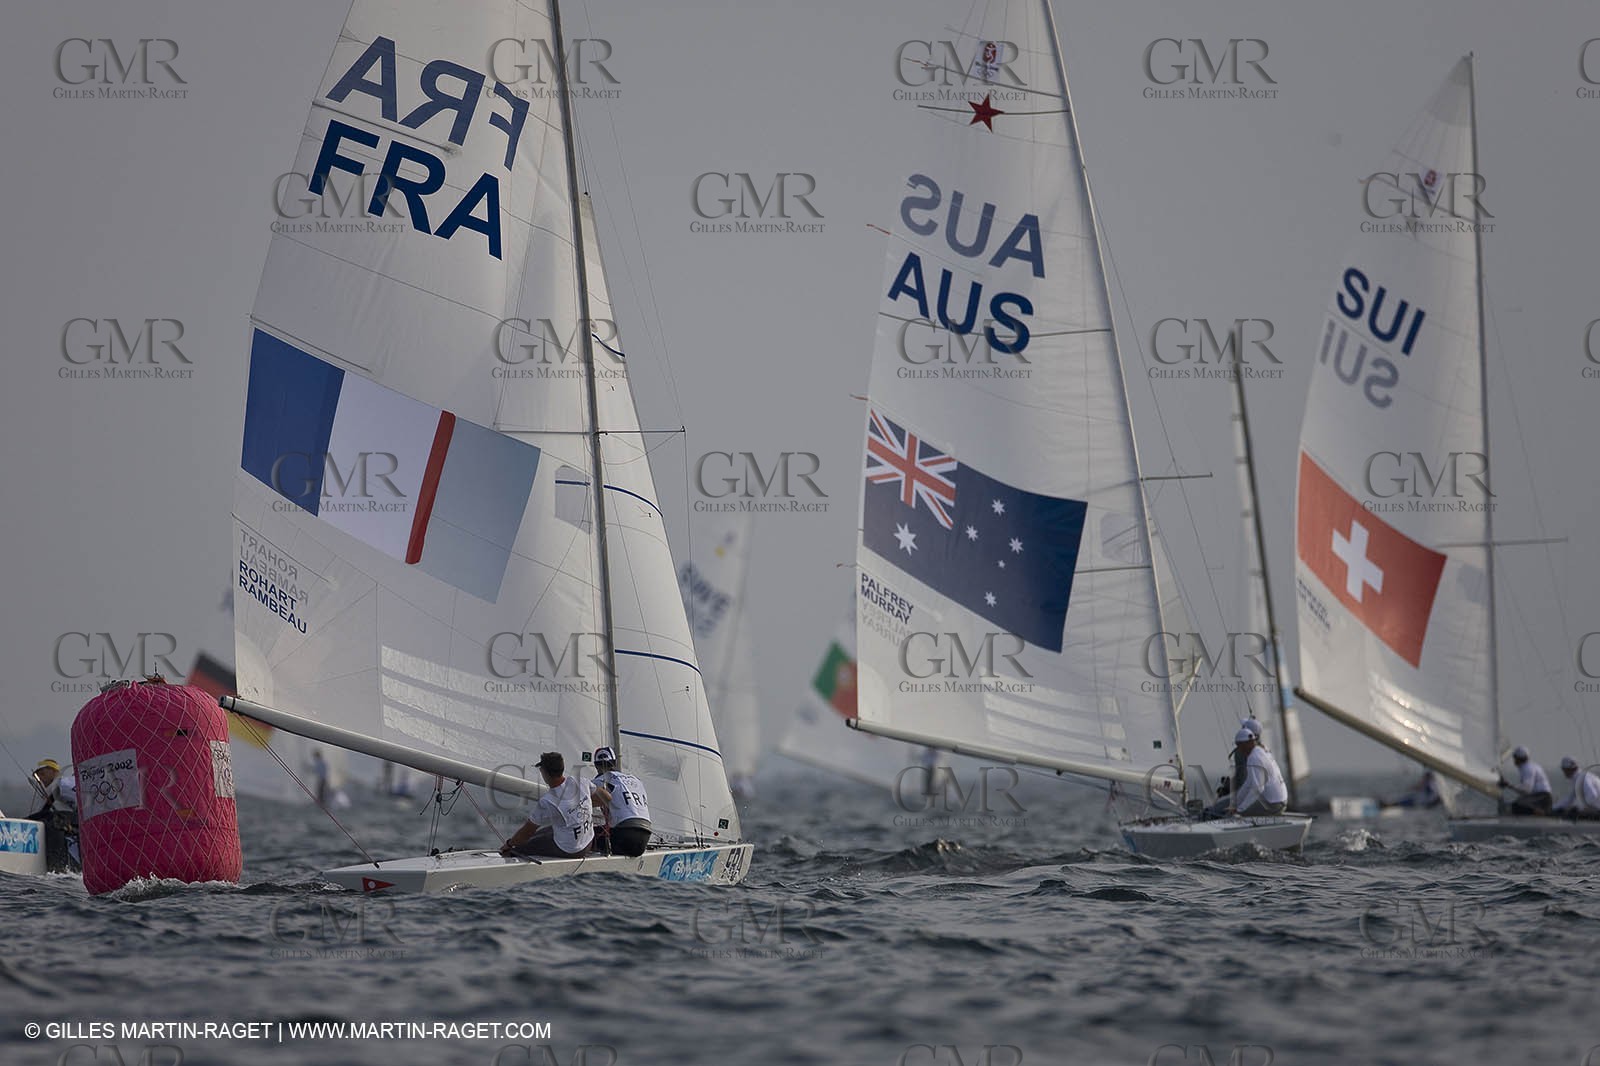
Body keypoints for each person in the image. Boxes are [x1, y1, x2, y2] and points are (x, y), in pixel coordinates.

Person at [500, 752, 594, 859]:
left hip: (571, 851)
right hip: (588, 843)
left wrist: (509, 844)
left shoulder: (548, 801)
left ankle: (508, 855)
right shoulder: (580, 781)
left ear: (545, 773)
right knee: (544, 831)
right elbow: (605, 796)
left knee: (519, 848)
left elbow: (527, 831)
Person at [589, 746, 652, 857]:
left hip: (623, 836)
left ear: (595, 765)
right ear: (615, 763)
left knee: (588, 834)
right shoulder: (636, 780)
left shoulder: (598, 781)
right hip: (645, 836)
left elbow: (581, 802)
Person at [26, 758, 80, 873]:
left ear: (53, 771)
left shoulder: (63, 783)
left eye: (42, 773)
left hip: (67, 826)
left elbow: (81, 801)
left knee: (54, 821)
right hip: (59, 824)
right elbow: (40, 813)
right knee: (50, 820)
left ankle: (57, 868)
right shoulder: (46, 792)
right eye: (38, 775)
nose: (40, 778)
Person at [1226, 728, 1288, 816]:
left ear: (1247, 743)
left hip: (1274, 804)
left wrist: (1239, 810)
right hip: (1280, 801)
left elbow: (1258, 789)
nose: (1239, 749)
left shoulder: (1254, 758)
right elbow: (1248, 784)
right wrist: (1235, 803)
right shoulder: (1260, 751)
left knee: (1238, 813)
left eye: (1239, 745)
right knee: (1238, 808)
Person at [1497, 746, 1553, 816]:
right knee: (1515, 804)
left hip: (1542, 798)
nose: (1514, 760)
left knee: (1517, 806)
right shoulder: (1528, 767)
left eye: (1515, 758)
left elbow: (1527, 790)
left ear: (1518, 759)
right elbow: (1526, 792)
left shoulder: (1527, 768)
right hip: (1540, 797)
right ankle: (1540, 812)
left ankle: (1544, 813)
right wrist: (1508, 785)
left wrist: (1508, 785)